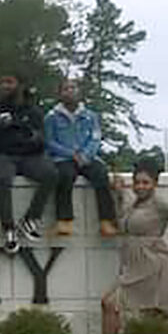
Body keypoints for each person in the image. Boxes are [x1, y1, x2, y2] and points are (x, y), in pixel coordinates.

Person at [100, 159, 168, 334]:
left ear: (155, 184)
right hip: (133, 264)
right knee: (110, 305)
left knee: (150, 314)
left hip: (153, 264)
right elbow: (124, 223)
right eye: (137, 182)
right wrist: (120, 194)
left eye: (145, 182)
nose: (140, 186)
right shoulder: (135, 204)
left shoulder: (160, 203)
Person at [0, 74, 58, 254]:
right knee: (2, 178)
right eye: (2, 82)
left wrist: (28, 138)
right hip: (0, 155)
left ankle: (31, 218)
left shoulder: (33, 112)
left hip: (28, 156)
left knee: (50, 174)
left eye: (9, 82)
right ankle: (8, 228)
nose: (5, 86)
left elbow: (41, 141)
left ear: (20, 85)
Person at [45, 79, 118, 238]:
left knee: (100, 175)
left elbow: (96, 138)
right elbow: (49, 141)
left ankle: (107, 220)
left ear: (79, 92)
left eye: (73, 88)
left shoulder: (90, 116)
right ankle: (64, 221)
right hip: (63, 158)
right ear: (59, 94)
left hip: (88, 157)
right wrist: (71, 154)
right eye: (65, 89)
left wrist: (85, 155)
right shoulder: (51, 117)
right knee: (65, 177)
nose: (69, 91)